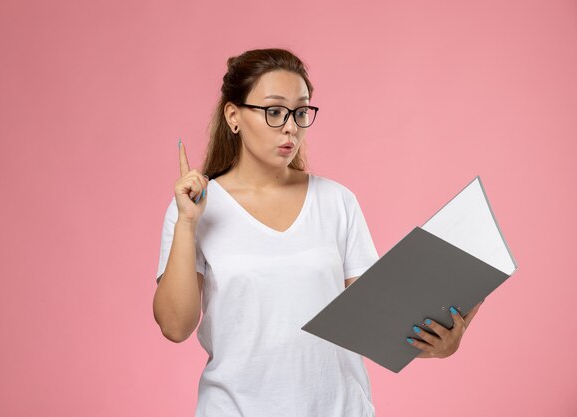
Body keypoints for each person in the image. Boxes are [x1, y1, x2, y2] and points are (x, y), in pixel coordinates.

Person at [152, 48, 483, 417]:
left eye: (300, 111)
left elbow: (373, 321)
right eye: (274, 112)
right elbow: (175, 326)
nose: (291, 126)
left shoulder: (336, 202)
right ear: (234, 116)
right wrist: (187, 222)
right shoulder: (196, 207)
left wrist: (437, 343)